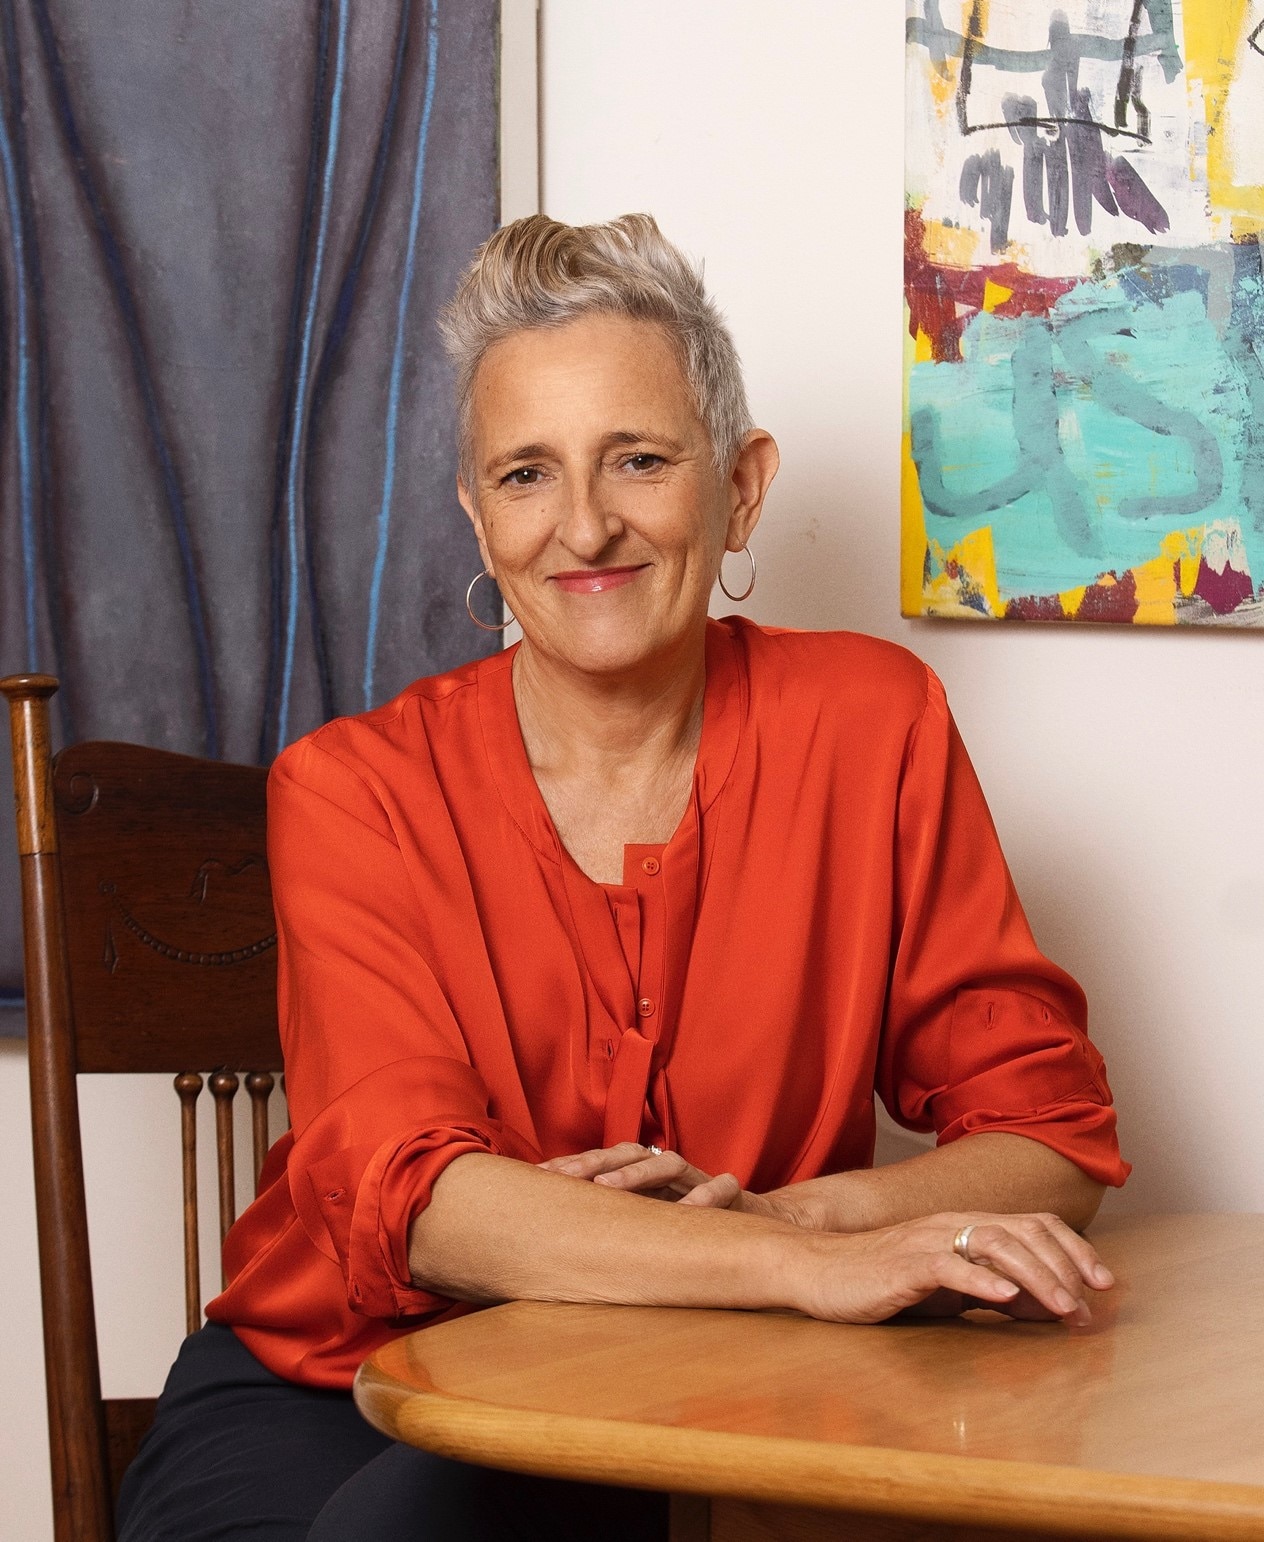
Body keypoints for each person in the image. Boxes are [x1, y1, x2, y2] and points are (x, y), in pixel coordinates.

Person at [118, 214, 1129, 1542]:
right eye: (527, 476)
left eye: (638, 460)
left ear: (742, 483)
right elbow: (420, 1207)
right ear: (479, 522)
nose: (585, 527)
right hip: (330, 1380)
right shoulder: (349, 791)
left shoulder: (872, 727)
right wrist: (799, 1265)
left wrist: (802, 1219)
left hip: (696, 1370)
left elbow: (1048, 1142)